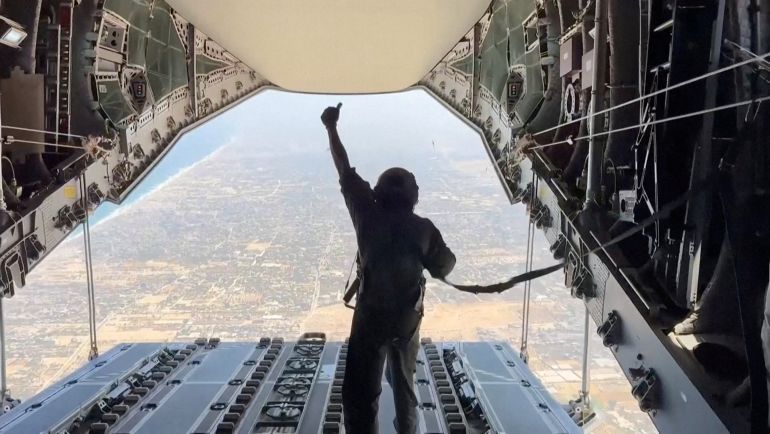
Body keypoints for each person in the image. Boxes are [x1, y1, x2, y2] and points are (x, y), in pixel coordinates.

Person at [321, 103, 456, 434]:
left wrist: (331, 127)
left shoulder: (366, 212)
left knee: (360, 395)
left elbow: (344, 168)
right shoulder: (423, 229)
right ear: (413, 197)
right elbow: (445, 266)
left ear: (378, 193)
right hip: (406, 320)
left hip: (370, 318)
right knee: (405, 390)